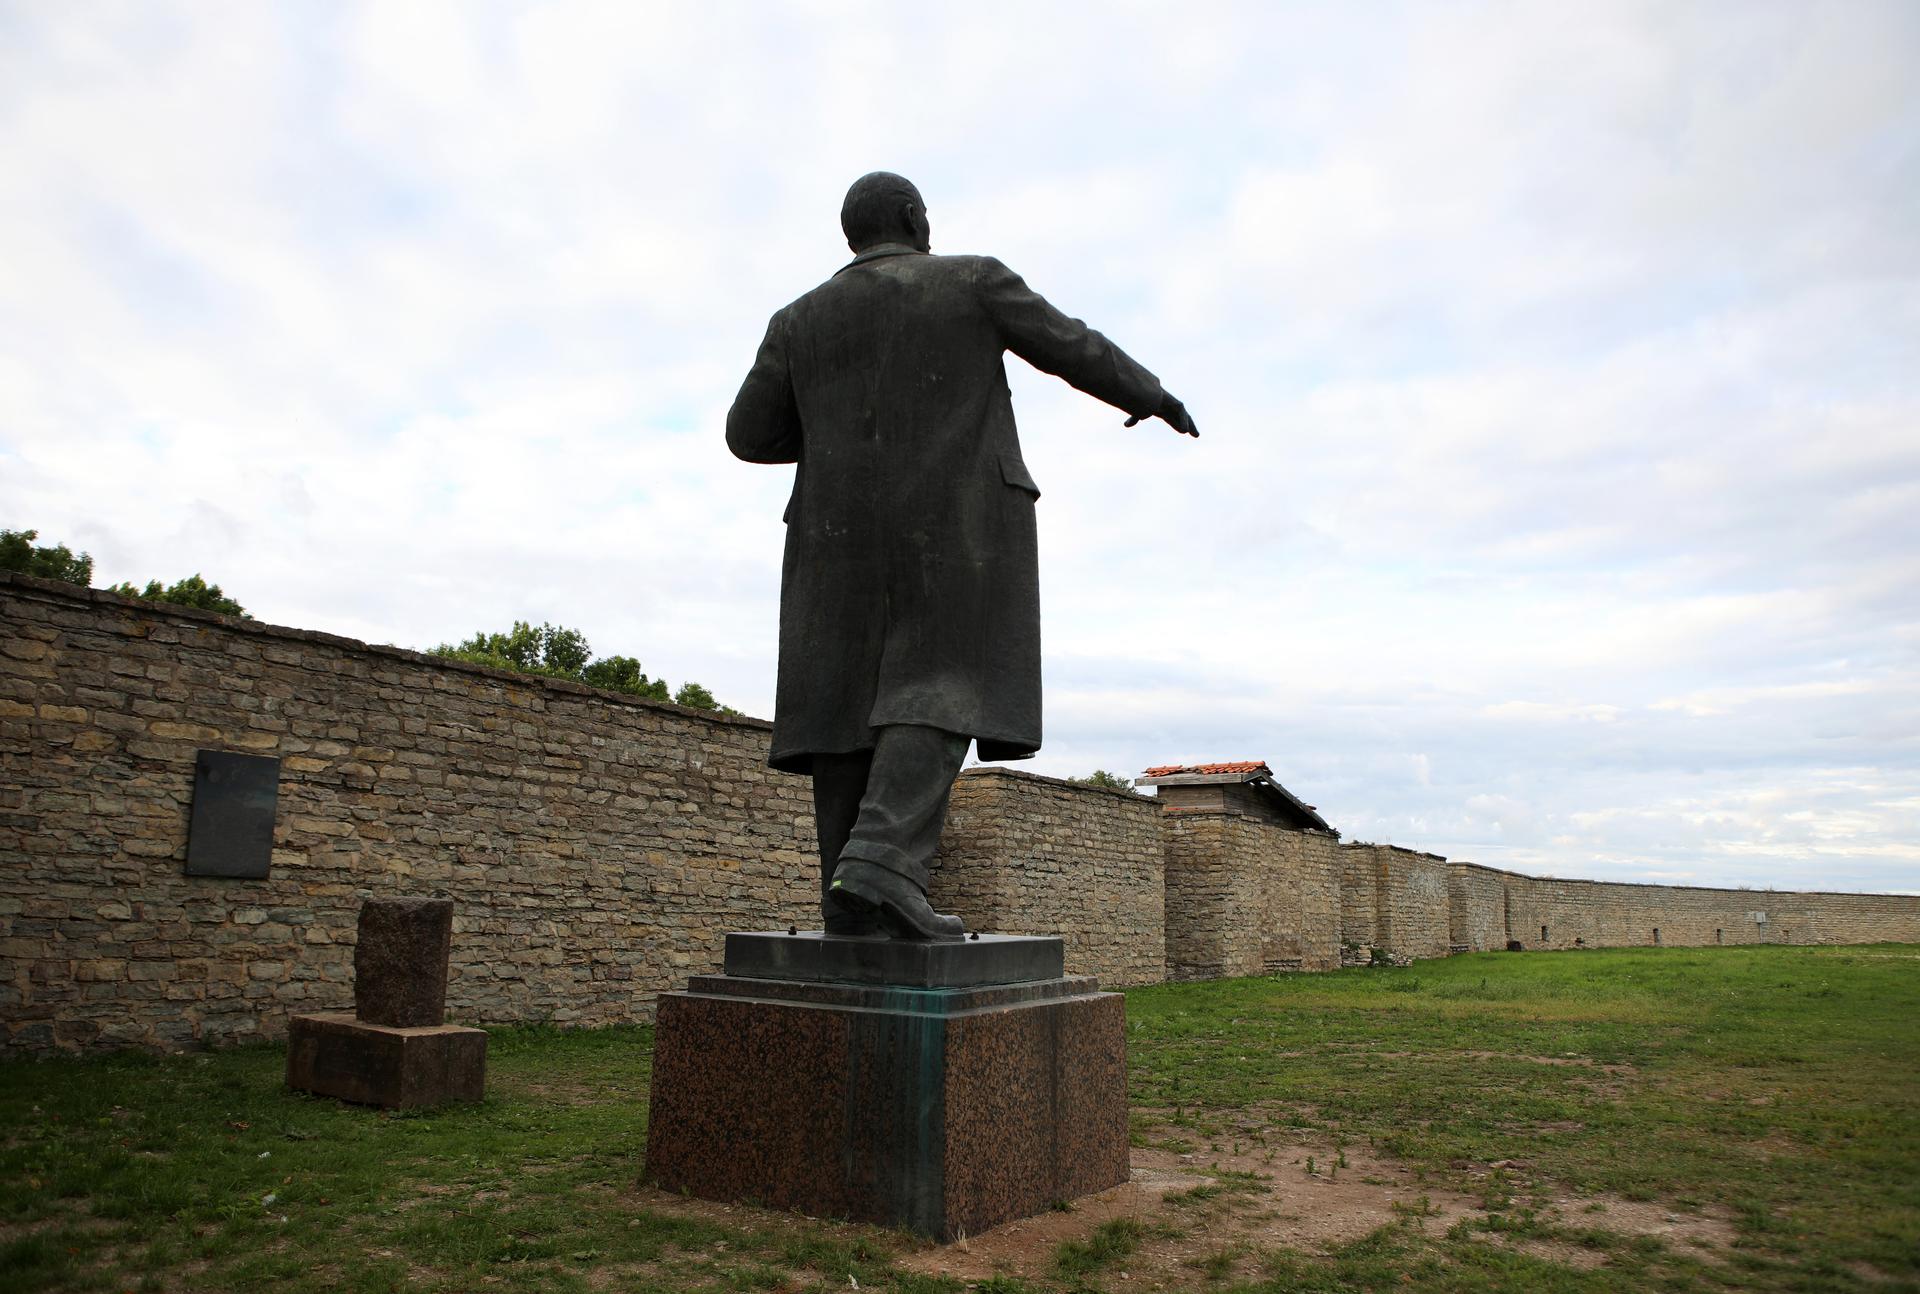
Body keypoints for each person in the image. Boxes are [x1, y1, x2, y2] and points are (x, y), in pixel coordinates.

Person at [727, 171, 1197, 939]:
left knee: (845, 706)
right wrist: (1149, 393)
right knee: (945, 682)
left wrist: (837, 435)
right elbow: (1068, 343)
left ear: (853, 234)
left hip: (832, 540)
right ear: (915, 220)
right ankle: (878, 866)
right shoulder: (971, 280)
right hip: (959, 524)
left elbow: (750, 435)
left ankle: (851, 906)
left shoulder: (796, 320)